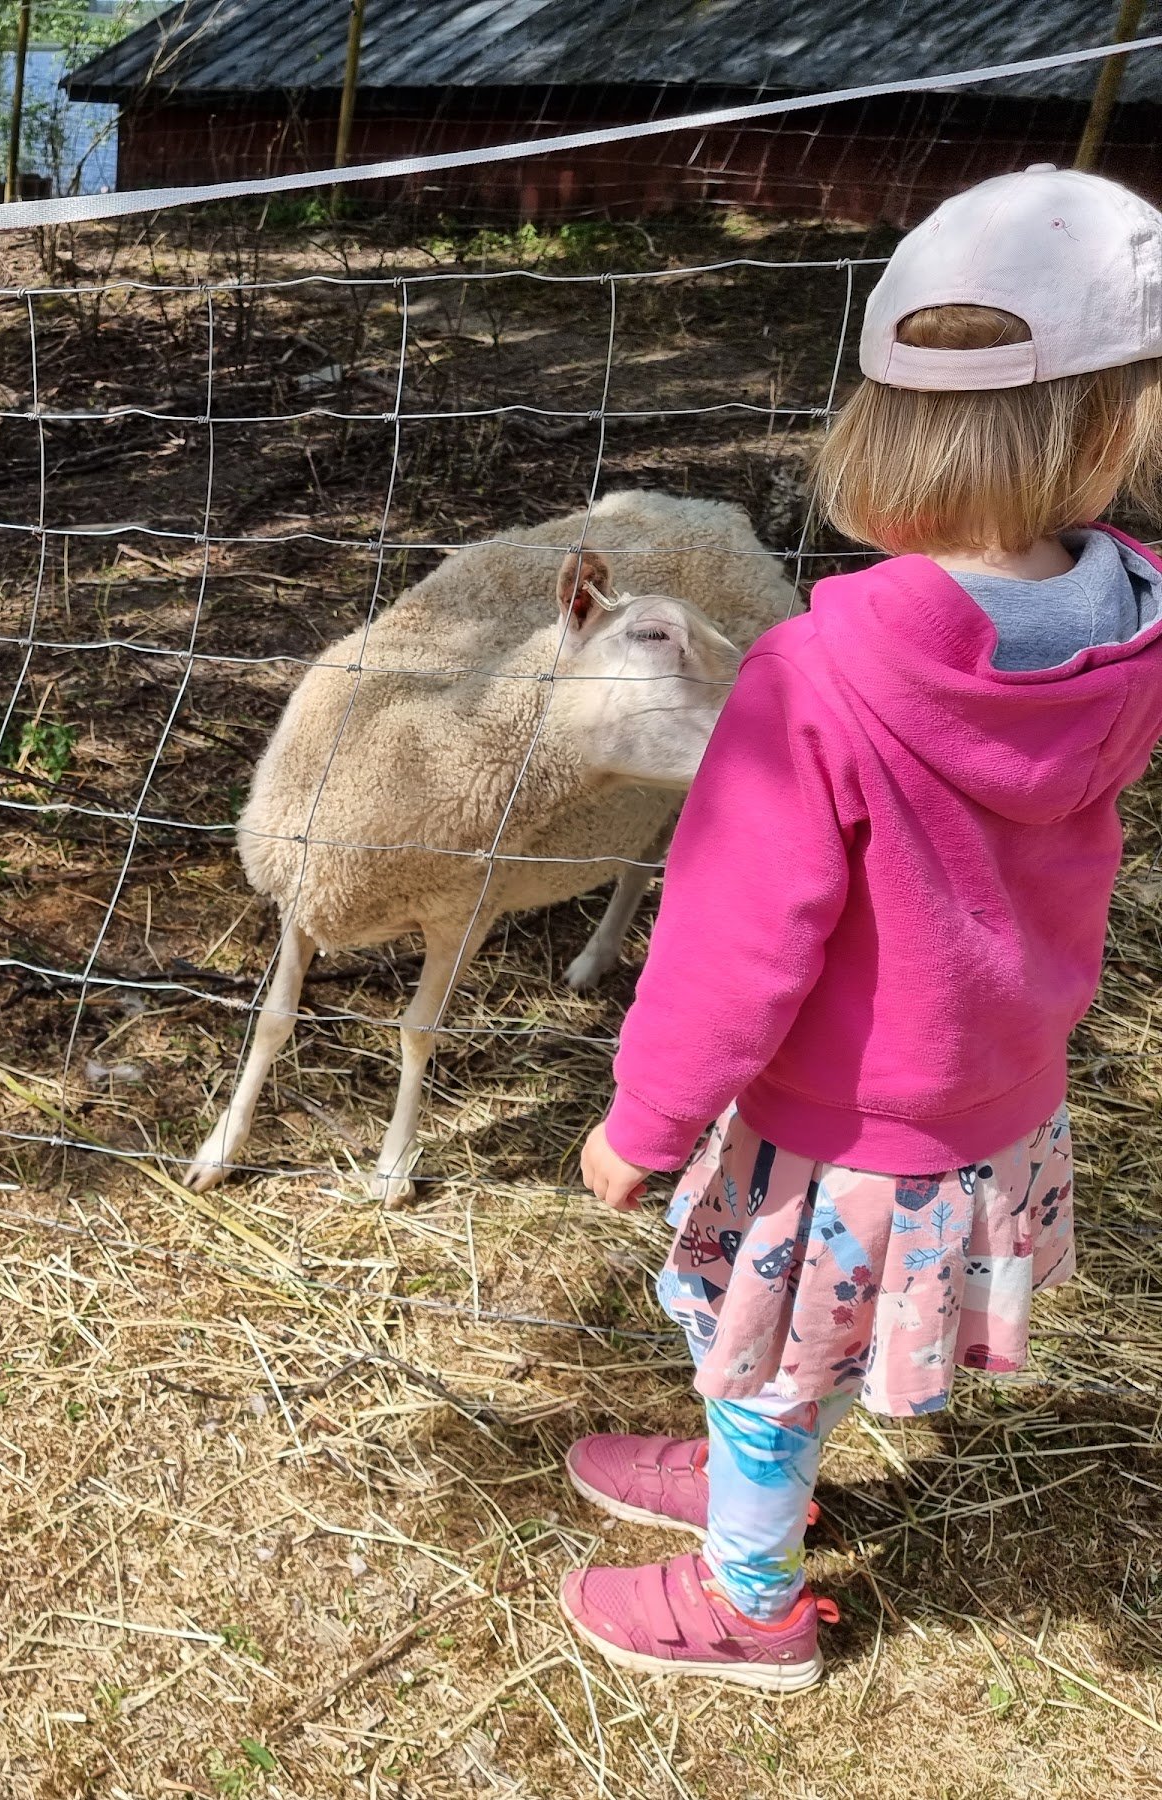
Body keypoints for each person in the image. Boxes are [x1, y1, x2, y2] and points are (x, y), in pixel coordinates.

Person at [563, 165, 1162, 1691]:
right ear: (1115, 427)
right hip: (991, 1106)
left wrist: (648, 1118)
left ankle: (749, 1594)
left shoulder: (820, 679)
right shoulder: (1129, 636)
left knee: (766, 1351)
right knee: (797, 1337)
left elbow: (735, 944)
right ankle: (744, 1460)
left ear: (884, 420)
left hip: (840, 1134)